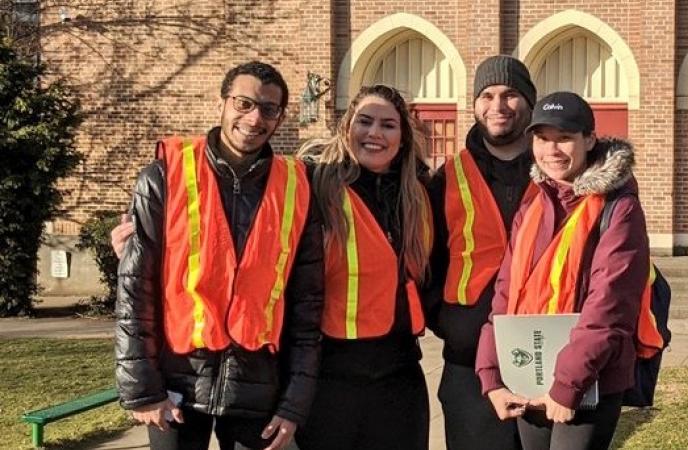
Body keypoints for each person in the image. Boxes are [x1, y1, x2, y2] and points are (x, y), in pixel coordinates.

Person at [115, 61, 323, 450]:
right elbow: (135, 289)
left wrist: (294, 405)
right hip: (175, 381)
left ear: (279, 118)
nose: (254, 118)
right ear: (223, 104)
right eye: (243, 103)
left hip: (257, 385)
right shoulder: (164, 176)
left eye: (268, 109)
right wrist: (142, 388)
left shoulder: (297, 188)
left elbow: (306, 305)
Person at [476, 91, 650, 450]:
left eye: (564, 138)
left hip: (590, 380)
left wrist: (567, 384)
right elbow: (506, 294)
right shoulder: (534, 203)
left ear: (589, 140)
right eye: (542, 139)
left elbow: (609, 306)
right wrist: (492, 376)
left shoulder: (620, 208)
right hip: (529, 370)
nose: (551, 150)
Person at [292, 84, 437, 450]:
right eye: (365, 122)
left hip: (399, 372)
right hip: (331, 375)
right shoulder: (310, 185)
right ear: (346, 128)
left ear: (402, 138)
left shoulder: (420, 193)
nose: (374, 133)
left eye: (388, 125)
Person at [425, 55, 537, 450]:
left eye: (510, 95)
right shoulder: (446, 178)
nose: (498, 106)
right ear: (474, 104)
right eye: (487, 95)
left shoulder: (558, 172)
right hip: (468, 362)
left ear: (530, 102)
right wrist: (450, 320)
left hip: (544, 357)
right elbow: (427, 259)